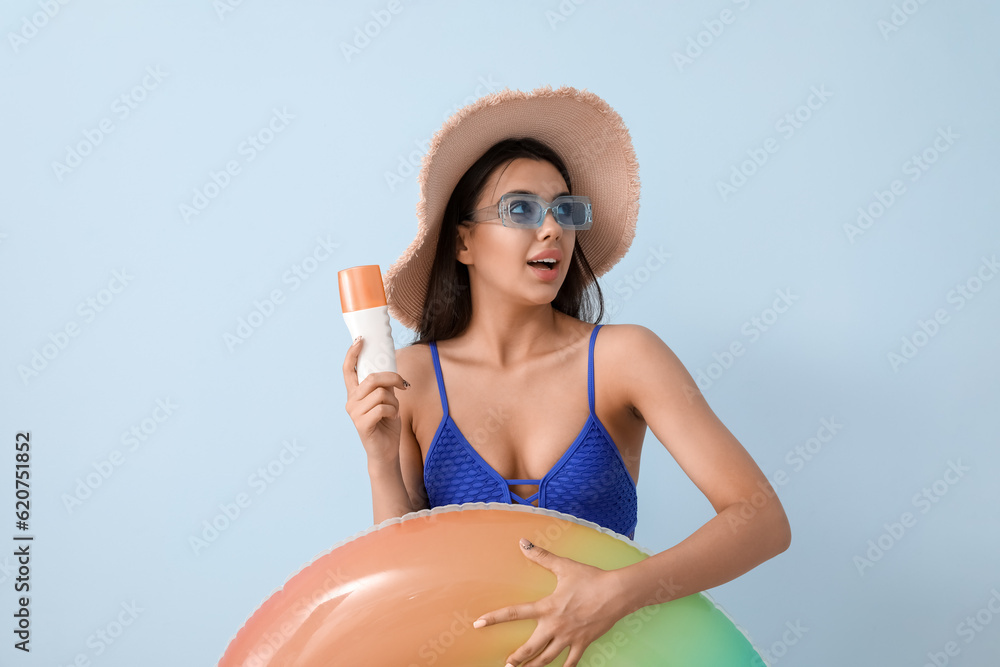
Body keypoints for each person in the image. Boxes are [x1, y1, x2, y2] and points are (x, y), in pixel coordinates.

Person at [343, 85, 791, 667]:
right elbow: (400, 574)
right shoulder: (414, 375)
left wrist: (615, 593)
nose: (552, 228)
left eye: (564, 209)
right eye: (521, 209)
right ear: (464, 240)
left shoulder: (625, 358)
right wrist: (379, 457)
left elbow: (761, 521)